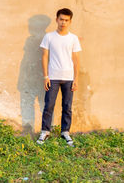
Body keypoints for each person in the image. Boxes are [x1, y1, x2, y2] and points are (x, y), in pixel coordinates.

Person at [36, 8, 81, 146]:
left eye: (66, 20)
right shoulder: (49, 37)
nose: (63, 22)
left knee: (67, 106)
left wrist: (76, 79)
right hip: (53, 76)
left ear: (70, 22)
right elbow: (44, 57)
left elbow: (76, 59)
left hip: (68, 77)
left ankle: (65, 132)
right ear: (57, 20)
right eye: (61, 19)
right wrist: (46, 77)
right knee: (49, 105)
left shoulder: (73, 38)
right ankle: (45, 131)